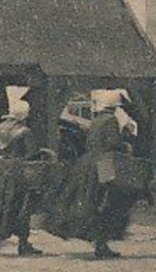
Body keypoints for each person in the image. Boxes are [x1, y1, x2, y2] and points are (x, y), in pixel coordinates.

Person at [46, 90, 148, 260]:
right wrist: (126, 134)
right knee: (108, 201)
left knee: (92, 200)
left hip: (87, 164)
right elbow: (112, 143)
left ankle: (100, 242)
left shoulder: (97, 120)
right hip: (104, 164)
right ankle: (102, 244)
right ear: (115, 108)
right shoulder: (110, 120)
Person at [0, 95, 45, 256]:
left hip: (2, 169)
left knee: (1, 202)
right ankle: (23, 243)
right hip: (19, 171)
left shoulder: (0, 127)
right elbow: (32, 153)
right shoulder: (25, 131)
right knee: (22, 206)